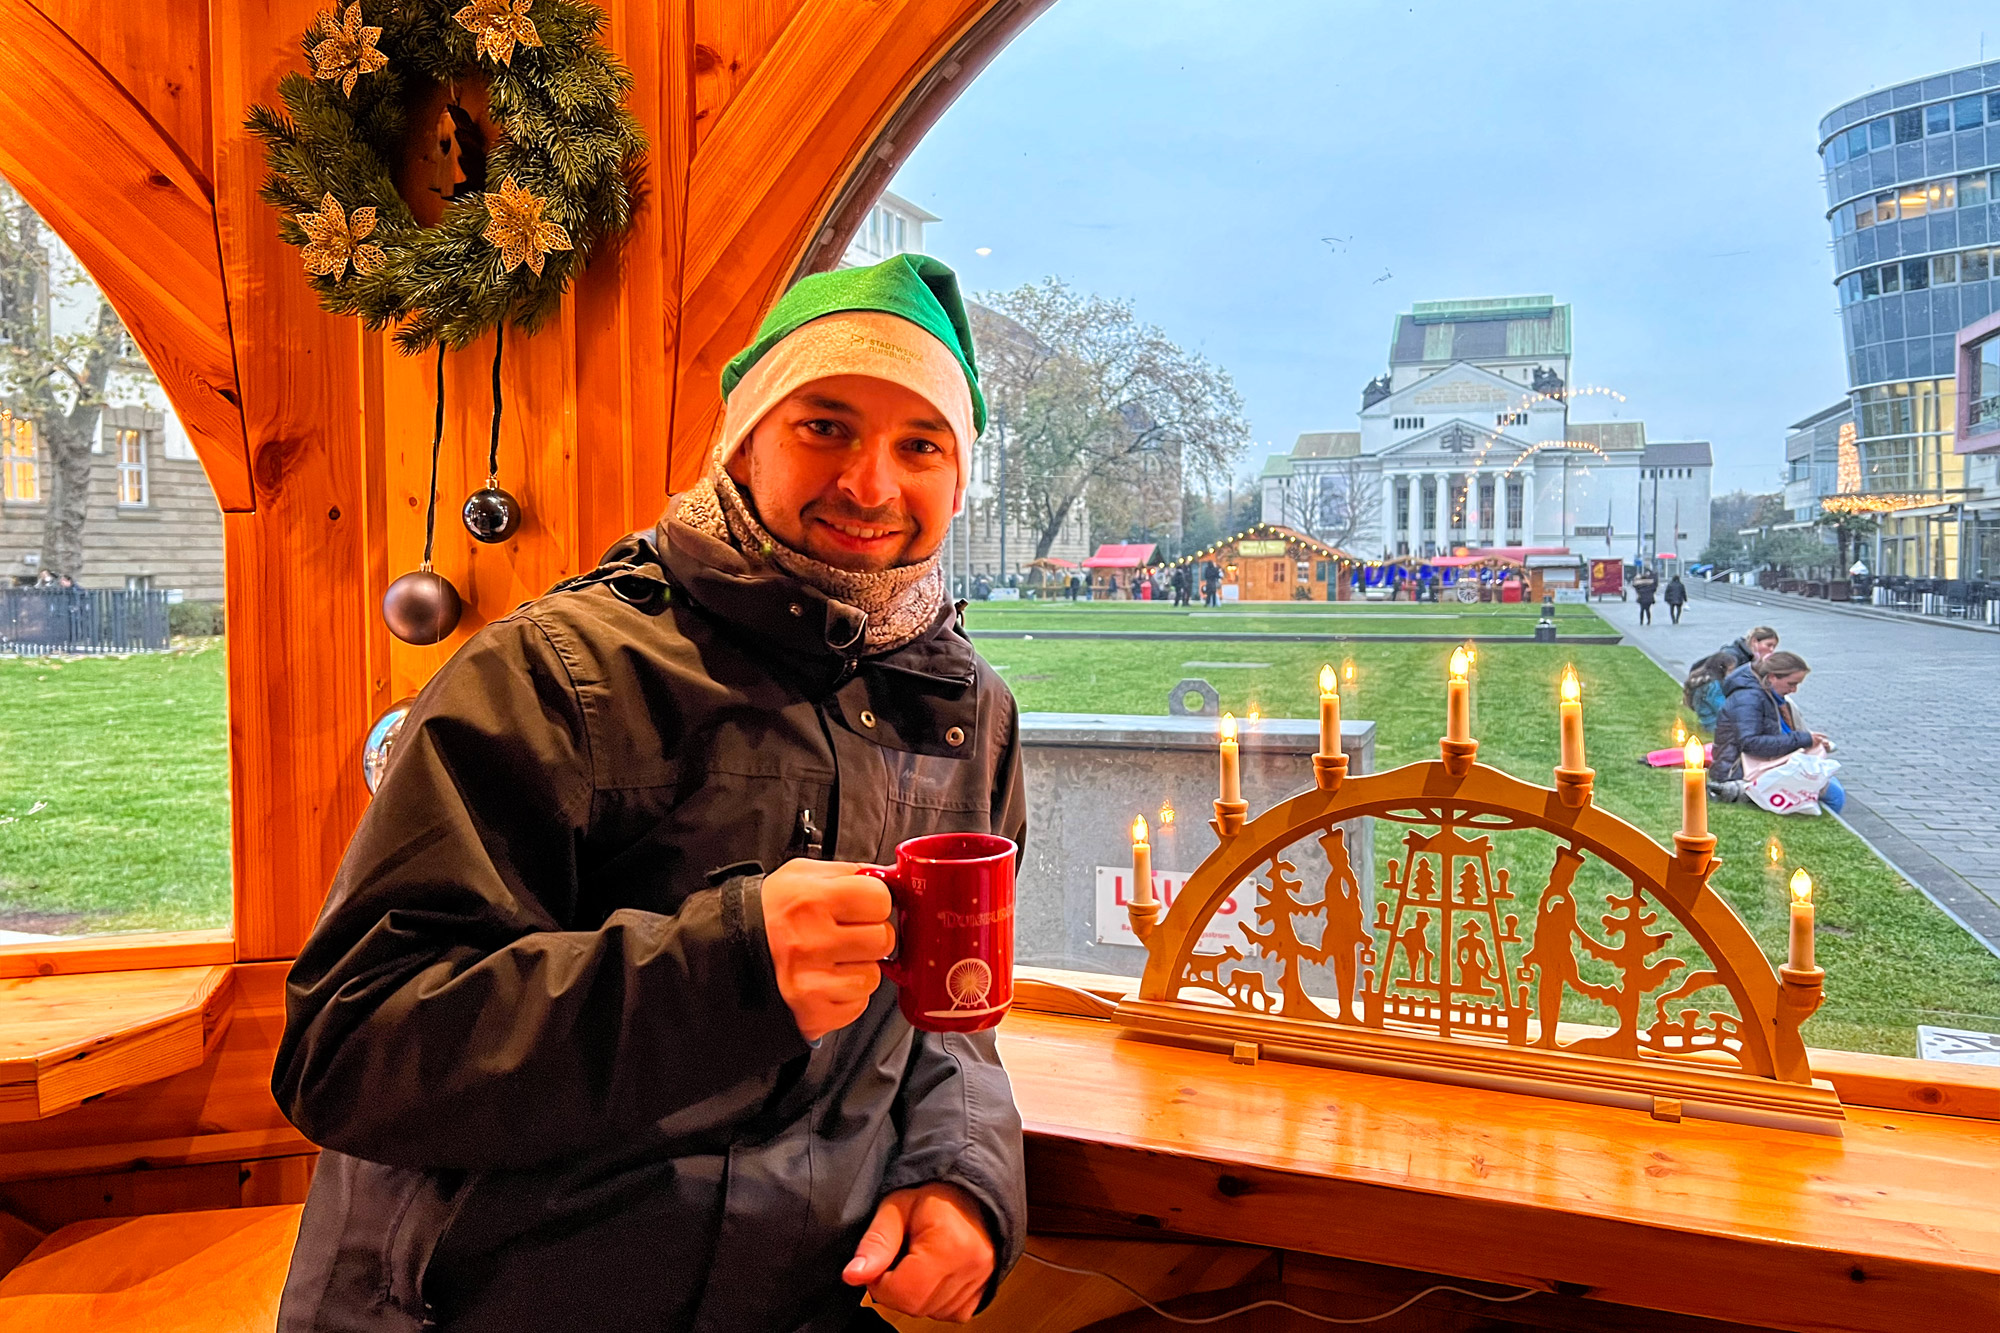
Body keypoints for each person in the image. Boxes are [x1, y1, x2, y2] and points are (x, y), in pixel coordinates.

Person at [273, 255, 1026, 1333]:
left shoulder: (965, 712)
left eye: (920, 445)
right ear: (743, 439)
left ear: (958, 479)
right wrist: (727, 969)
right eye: (823, 425)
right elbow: (349, 1047)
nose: (870, 484)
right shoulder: (551, 675)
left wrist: (963, 1177)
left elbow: (953, 1018)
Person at [1709, 650, 1843, 813]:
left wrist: (1808, 739)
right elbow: (1751, 743)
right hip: (1737, 770)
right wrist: (1802, 739)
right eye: (1791, 684)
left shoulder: (1764, 694)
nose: (1794, 690)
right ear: (1772, 677)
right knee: (1835, 794)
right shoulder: (1749, 698)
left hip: (1756, 762)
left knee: (1829, 781)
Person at [1682, 651, 1737, 734]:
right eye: (1730, 670)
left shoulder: (1702, 678)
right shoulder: (1713, 686)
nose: (1733, 673)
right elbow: (1722, 709)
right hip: (1714, 724)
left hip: (1706, 720)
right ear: (1721, 669)